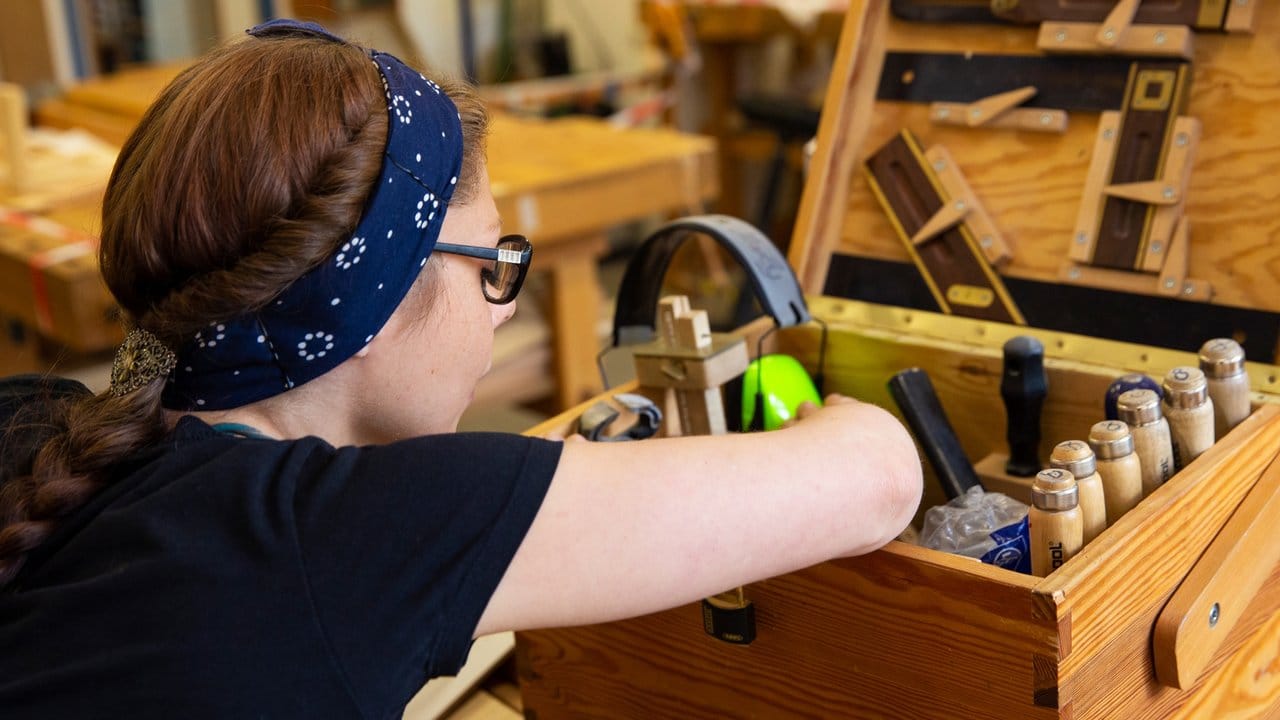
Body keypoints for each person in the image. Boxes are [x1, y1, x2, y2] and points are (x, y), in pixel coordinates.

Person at [0, 19, 921, 718]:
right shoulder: (355, 535)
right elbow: (880, 474)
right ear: (366, 303)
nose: (509, 302)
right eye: (493, 265)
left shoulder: (35, 422)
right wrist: (840, 406)